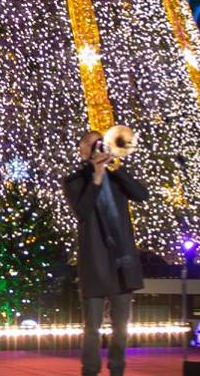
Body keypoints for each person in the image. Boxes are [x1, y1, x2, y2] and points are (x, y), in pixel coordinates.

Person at [62, 129, 150, 376]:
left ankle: (117, 369)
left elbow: (142, 195)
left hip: (122, 262)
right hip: (95, 263)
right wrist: (97, 177)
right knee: (92, 327)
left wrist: (116, 167)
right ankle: (90, 371)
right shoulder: (75, 181)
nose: (98, 149)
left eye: (100, 144)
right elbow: (83, 211)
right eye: (92, 146)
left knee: (121, 327)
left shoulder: (117, 176)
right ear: (83, 152)